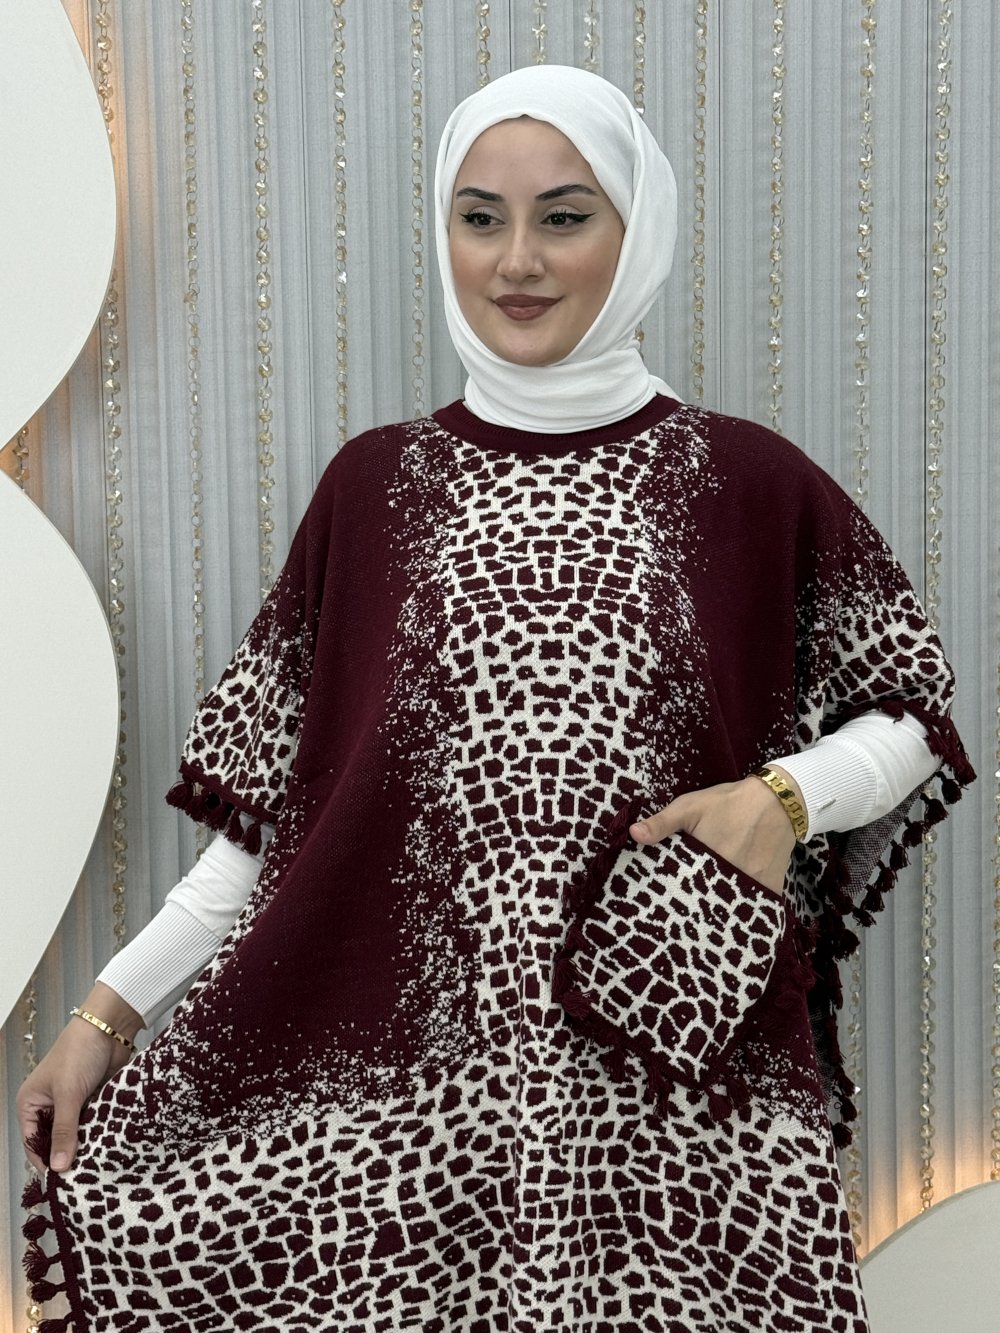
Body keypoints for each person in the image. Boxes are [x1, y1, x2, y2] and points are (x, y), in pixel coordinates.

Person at [18, 65, 973, 1333]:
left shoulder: (745, 483)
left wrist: (781, 799)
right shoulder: (375, 492)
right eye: (480, 218)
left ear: (636, 229)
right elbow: (281, 827)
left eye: (563, 216)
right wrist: (104, 1014)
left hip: (679, 1095)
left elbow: (910, 714)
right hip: (419, 1117)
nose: (517, 260)